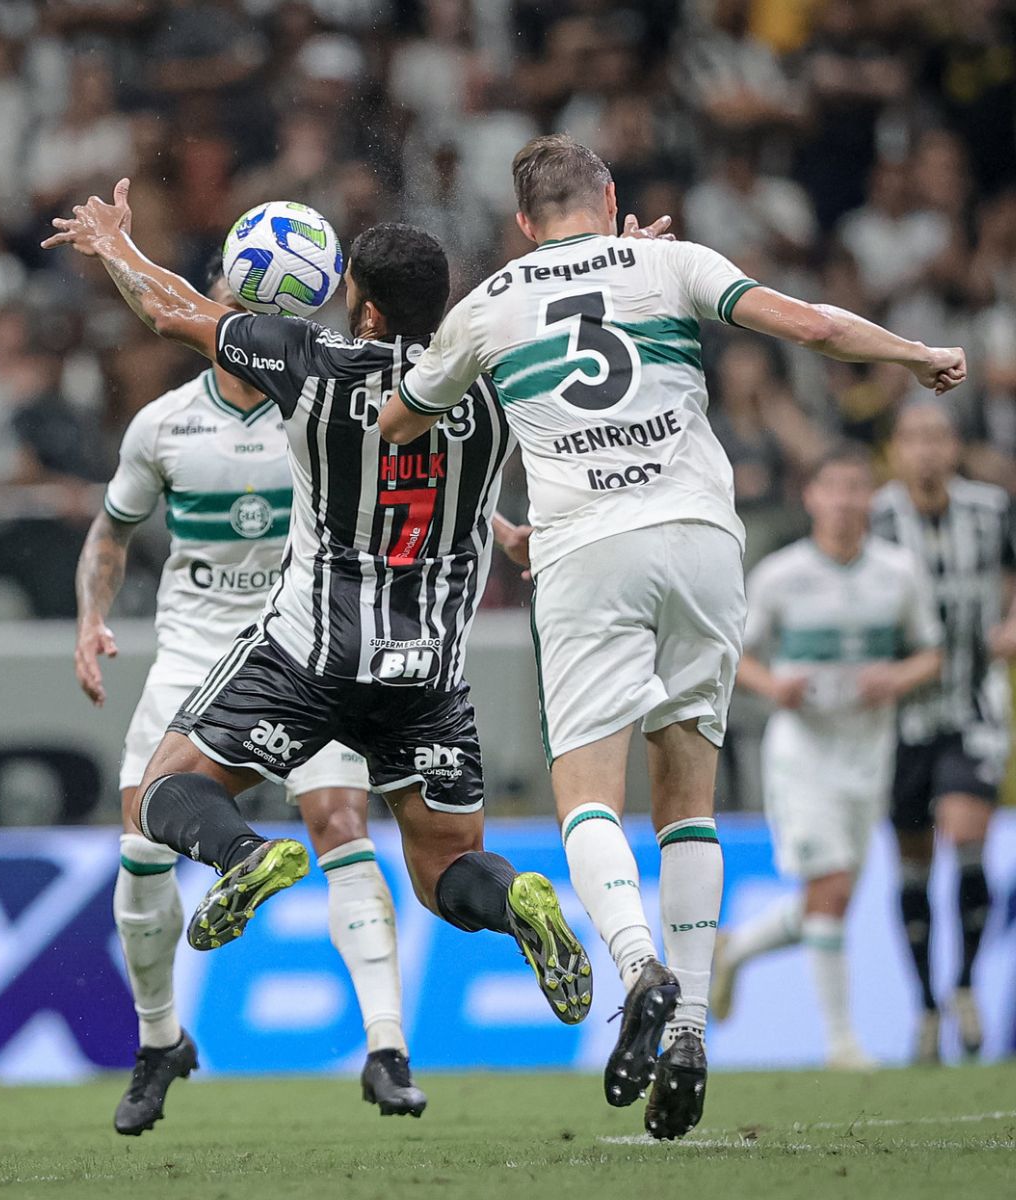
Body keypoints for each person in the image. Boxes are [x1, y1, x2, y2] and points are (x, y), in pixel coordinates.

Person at [378, 132, 966, 1139]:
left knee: (586, 795)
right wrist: (914, 355)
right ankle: (689, 1025)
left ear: (524, 222)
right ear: (609, 199)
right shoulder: (670, 260)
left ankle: (638, 965)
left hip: (585, 554)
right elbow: (810, 326)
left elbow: (400, 423)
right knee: (688, 793)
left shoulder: (491, 303)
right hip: (701, 539)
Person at [44, 188, 604, 1049]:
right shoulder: (498, 373)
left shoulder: (308, 359)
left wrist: (116, 242)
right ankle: (518, 897)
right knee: (447, 870)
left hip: (309, 652)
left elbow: (173, 312)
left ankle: (243, 856)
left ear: (365, 305)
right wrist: (621, 262)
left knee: (160, 791)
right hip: (429, 674)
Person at [76, 261, 426, 1132]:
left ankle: (386, 1050)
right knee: (141, 847)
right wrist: (90, 619)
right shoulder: (164, 425)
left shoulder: (317, 404)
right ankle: (161, 1040)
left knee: (343, 825)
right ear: (218, 311)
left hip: (307, 640)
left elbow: (423, 477)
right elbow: (110, 531)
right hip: (195, 650)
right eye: (240, 307)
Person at [710, 443, 942, 1068]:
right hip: (802, 752)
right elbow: (738, 656)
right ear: (811, 496)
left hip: (869, 752)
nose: (844, 500)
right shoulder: (781, 575)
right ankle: (841, 1043)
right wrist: (774, 686)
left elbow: (931, 651)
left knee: (827, 901)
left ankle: (732, 951)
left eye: (856, 487)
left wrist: (897, 678)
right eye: (832, 487)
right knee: (832, 890)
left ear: (871, 496)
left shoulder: (898, 571)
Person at [872, 402, 1016, 1063]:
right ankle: (926, 1006)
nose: (927, 450)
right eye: (914, 438)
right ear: (895, 451)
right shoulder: (875, 518)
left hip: (972, 703)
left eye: (938, 436)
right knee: (911, 860)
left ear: (954, 446)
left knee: (966, 831)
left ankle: (963, 986)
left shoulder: (990, 509)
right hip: (897, 716)